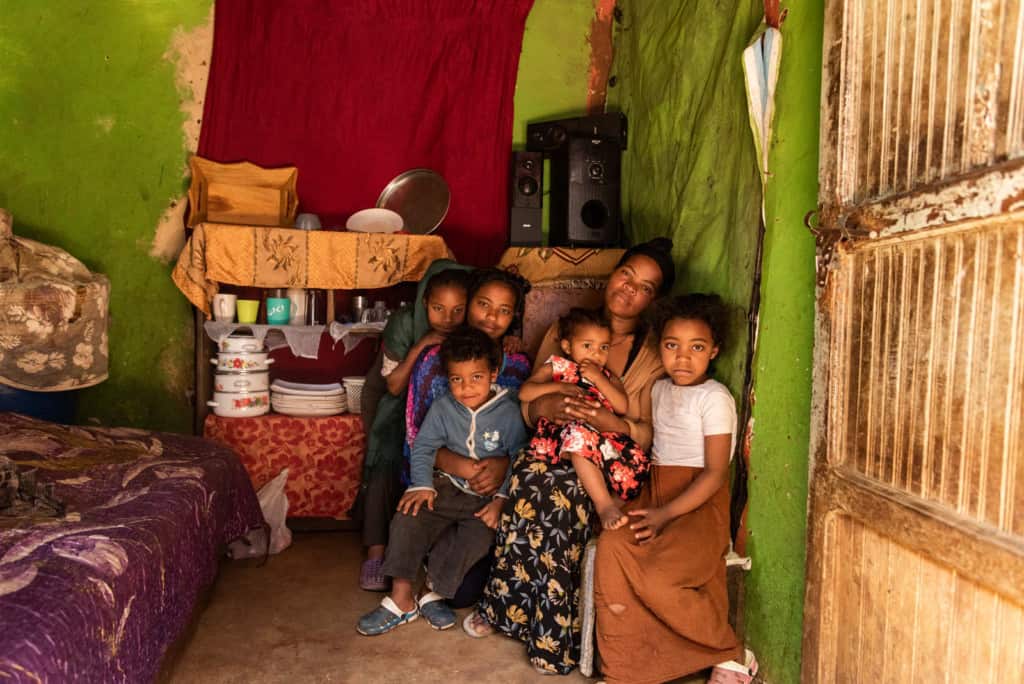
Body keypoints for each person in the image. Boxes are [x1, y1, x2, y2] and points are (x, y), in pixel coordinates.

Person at [463, 238, 676, 676]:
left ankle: (551, 632)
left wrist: (604, 419)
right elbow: (527, 403)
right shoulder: (567, 332)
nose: (629, 289)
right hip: (554, 444)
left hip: (602, 457)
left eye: (646, 288)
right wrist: (549, 406)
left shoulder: (652, 355)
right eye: (626, 275)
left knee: (561, 498)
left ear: (654, 300)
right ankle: (504, 608)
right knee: (527, 479)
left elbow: (646, 431)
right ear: (613, 274)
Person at [593, 293, 756, 684]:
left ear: (714, 350)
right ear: (660, 348)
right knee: (613, 549)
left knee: (658, 577)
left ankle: (731, 652)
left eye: (696, 347)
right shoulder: (658, 390)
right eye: (672, 346)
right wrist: (625, 495)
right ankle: (625, 671)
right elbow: (646, 444)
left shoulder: (715, 398)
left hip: (698, 505)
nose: (683, 358)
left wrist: (665, 514)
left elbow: (716, 473)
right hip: (656, 493)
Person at [356, 328, 529, 636]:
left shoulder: (509, 411)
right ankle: (401, 599)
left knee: (480, 534)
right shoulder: (443, 408)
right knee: (409, 516)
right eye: (456, 379)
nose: (465, 388)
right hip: (445, 486)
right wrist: (422, 484)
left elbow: (519, 457)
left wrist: (502, 500)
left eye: (476, 377)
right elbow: (423, 447)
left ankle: (430, 591)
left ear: (494, 373)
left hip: (485, 498)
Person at [402, 267, 533, 606]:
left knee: (462, 595)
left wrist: (504, 467)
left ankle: (445, 561)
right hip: (443, 481)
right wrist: (455, 463)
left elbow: (523, 434)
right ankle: (429, 553)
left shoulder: (518, 363)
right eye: (483, 305)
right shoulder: (435, 358)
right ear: (467, 303)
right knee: (417, 524)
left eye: (504, 311)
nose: (491, 317)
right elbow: (416, 434)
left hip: (490, 493)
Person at [354, 260, 471, 592]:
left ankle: (425, 552)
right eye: (438, 308)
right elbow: (392, 385)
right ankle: (376, 554)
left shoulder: (467, 329)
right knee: (387, 457)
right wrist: (425, 344)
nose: (447, 319)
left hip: (441, 406)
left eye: (456, 310)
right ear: (423, 303)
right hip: (395, 400)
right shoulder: (405, 323)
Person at [519, 307, 650, 530]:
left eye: (603, 347)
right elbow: (525, 393)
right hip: (566, 434)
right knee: (578, 438)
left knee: (637, 460)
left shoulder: (608, 377)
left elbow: (621, 406)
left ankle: (615, 505)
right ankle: (603, 505)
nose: (596, 354)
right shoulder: (558, 367)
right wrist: (558, 386)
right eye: (587, 346)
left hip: (601, 437)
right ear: (568, 346)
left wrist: (600, 379)